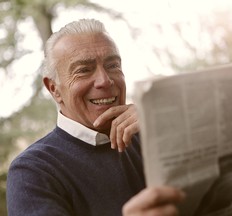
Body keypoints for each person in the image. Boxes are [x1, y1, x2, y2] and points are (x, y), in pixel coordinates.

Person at [6, 19, 185, 216]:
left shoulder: (151, 135)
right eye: (84, 70)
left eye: (113, 65)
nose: (105, 80)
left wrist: (162, 123)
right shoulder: (32, 171)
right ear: (54, 89)